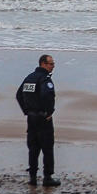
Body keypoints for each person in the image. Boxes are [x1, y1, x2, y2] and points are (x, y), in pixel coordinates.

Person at [15, 54, 61, 187]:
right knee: (47, 148)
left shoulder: (29, 77)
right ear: (43, 64)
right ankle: (47, 178)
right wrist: (49, 112)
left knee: (33, 148)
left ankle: (33, 177)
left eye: (53, 64)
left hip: (31, 118)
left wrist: (26, 111)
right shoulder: (44, 79)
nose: (53, 66)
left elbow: (19, 95)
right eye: (51, 64)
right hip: (42, 118)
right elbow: (47, 95)